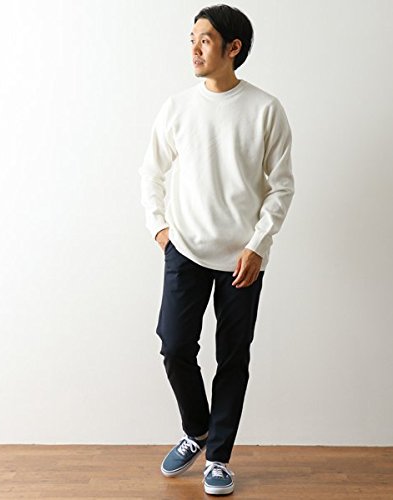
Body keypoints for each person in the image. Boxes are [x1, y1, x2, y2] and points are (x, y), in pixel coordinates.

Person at [138, 4, 295, 496]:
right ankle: (198, 429)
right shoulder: (177, 107)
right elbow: (151, 173)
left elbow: (281, 186)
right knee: (174, 345)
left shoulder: (265, 109)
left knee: (233, 356)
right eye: (191, 39)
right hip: (184, 249)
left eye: (204, 40)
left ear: (233, 48)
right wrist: (161, 230)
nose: (194, 49)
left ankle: (218, 458)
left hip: (242, 259)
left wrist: (258, 245)